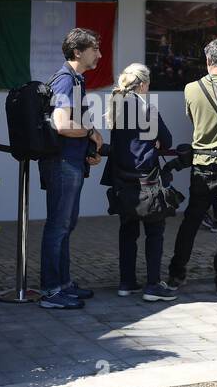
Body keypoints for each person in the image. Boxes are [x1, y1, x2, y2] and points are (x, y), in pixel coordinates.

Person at [167, 38, 217, 296]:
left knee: (191, 219)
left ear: (207, 60)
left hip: (201, 162)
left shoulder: (191, 88)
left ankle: (176, 274)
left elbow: (193, 119)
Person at [39, 28, 104, 309]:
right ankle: (51, 291)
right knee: (58, 226)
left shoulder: (75, 80)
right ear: (78, 52)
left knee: (66, 225)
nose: (99, 55)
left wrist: (87, 148)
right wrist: (89, 133)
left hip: (71, 161)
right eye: (94, 49)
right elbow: (62, 125)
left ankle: (63, 284)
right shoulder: (66, 81)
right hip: (62, 163)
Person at [102, 64, 177, 302]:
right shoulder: (147, 109)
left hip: (123, 180)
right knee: (154, 232)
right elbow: (167, 140)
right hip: (148, 181)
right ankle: (153, 285)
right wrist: (154, 143)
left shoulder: (117, 106)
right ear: (143, 84)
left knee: (128, 232)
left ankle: (127, 282)